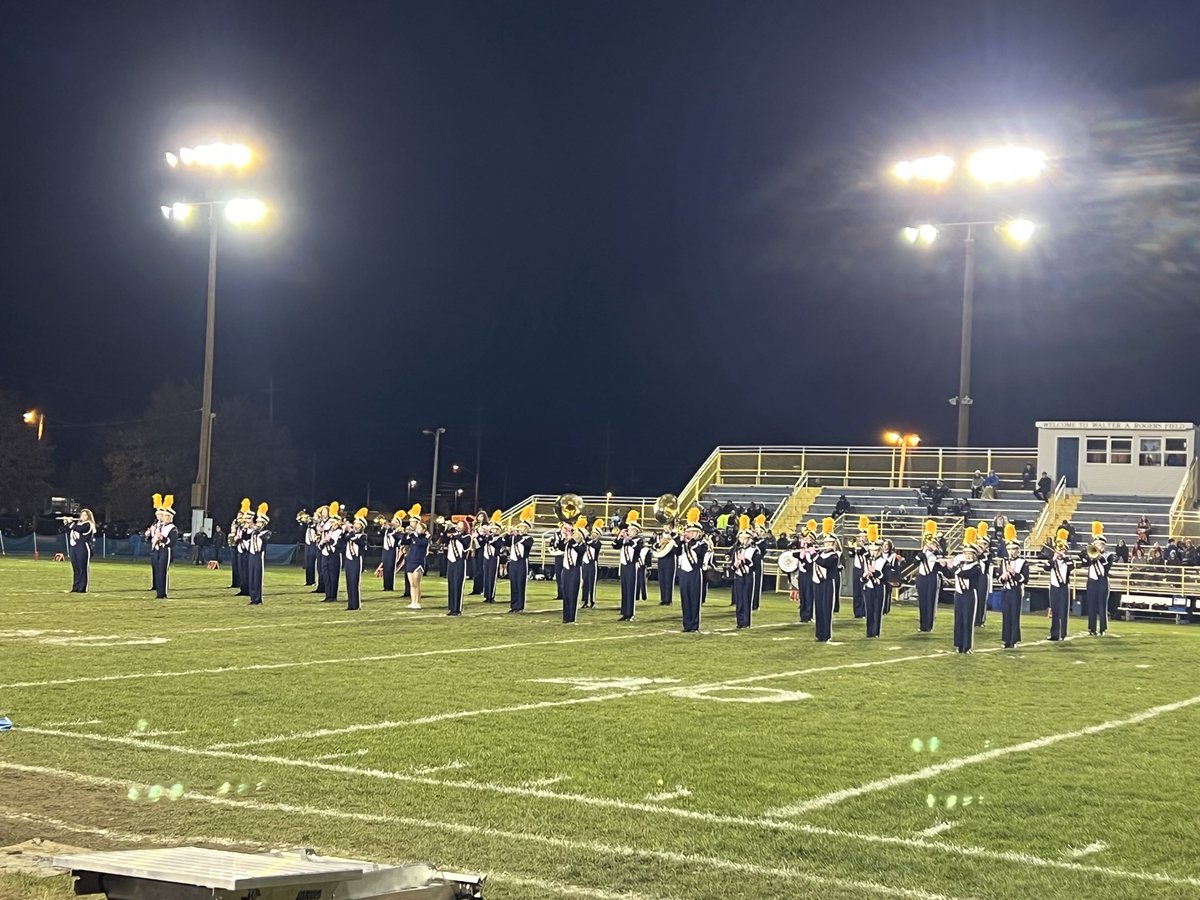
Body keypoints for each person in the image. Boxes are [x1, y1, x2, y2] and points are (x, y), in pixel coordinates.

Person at [675, 510, 709, 632]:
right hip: (683, 573)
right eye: (688, 532)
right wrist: (680, 540)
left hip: (695, 573)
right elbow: (675, 551)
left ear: (698, 533)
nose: (689, 534)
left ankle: (694, 625)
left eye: (692, 532)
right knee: (685, 599)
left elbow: (700, 551)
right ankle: (686, 625)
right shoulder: (683, 544)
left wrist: (690, 541)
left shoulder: (702, 544)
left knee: (694, 599)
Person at [952, 530, 984, 653]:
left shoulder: (976, 567)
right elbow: (951, 573)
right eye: (966, 553)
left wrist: (954, 567)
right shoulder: (961, 565)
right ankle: (959, 645)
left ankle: (967, 646)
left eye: (971, 554)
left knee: (968, 620)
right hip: (959, 595)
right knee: (958, 619)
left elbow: (966, 575)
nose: (968, 556)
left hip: (969, 595)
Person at [811, 521, 842, 642]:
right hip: (818, 582)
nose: (827, 544)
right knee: (818, 608)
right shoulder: (820, 553)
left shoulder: (834, 556)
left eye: (830, 542)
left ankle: (826, 634)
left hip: (828, 582)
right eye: (826, 542)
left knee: (826, 608)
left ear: (834, 544)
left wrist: (814, 556)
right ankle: (819, 634)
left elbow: (824, 563)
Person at [1043, 528, 1075, 641]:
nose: (1060, 550)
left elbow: (1072, 566)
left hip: (1064, 588)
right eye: (1058, 548)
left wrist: (1064, 556)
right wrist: (1054, 558)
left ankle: (1063, 633)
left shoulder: (1068, 561)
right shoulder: (1052, 561)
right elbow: (1046, 567)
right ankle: (1054, 634)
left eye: (1062, 548)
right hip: (1054, 587)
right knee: (1055, 610)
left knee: (1063, 611)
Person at [1082, 523, 1114, 635]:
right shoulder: (1091, 555)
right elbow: (1084, 564)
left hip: (1102, 583)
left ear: (1103, 545)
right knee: (1091, 606)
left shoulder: (1109, 556)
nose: (1097, 546)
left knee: (1102, 606)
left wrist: (1098, 556)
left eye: (1099, 544)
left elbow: (1106, 568)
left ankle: (1102, 629)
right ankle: (1092, 629)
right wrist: (1086, 556)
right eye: (1095, 544)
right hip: (1091, 582)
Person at [997, 525, 1026, 647]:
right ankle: (1006, 640)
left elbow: (1025, 578)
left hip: (1015, 591)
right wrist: (1002, 577)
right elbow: (999, 577)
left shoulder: (1022, 562)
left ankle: (1014, 640)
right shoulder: (1004, 561)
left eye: (1014, 549)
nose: (1011, 551)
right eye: (1009, 549)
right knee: (1006, 615)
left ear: (1018, 550)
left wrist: (1014, 573)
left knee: (1014, 615)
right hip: (1006, 591)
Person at [613, 511, 644, 621]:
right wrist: (619, 537)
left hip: (632, 566)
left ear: (636, 531)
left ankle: (631, 613)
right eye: (628, 530)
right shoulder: (626, 539)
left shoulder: (639, 540)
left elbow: (636, 547)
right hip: (624, 565)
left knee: (631, 589)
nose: (628, 531)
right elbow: (615, 545)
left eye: (631, 530)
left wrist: (628, 539)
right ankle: (624, 612)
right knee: (624, 589)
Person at [146, 493, 178, 599]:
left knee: (163, 571)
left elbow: (172, 542)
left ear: (169, 517)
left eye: (164, 515)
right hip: (157, 549)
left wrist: (162, 538)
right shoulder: (160, 525)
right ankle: (158, 590)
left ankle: (162, 593)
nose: (162, 517)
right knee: (157, 571)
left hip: (165, 550)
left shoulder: (172, 528)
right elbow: (153, 537)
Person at [915, 524, 943, 632]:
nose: (929, 545)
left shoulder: (937, 553)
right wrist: (923, 551)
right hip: (922, 577)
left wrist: (935, 550)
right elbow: (915, 562)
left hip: (932, 577)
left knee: (931, 601)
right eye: (927, 543)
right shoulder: (922, 554)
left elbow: (941, 562)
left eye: (931, 542)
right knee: (922, 601)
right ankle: (923, 625)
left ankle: (929, 625)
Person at [62, 508, 97, 593]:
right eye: (82, 515)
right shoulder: (78, 524)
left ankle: (83, 588)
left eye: (85, 515)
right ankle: (75, 587)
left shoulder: (88, 524)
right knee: (76, 569)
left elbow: (80, 529)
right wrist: (66, 523)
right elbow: (65, 530)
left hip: (83, 548)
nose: (83, 517)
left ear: (88, 517)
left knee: (83, 568)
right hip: (74, 548)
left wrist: (70, 523)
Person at [507, 509, 535, 613]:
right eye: (520, 527)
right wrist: (508, 534)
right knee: (513, 584)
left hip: (522, 562)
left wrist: (517, 535)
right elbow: (506, 542)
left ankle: (520, 606)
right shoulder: (515, 537)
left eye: (523, 527)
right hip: (513, 562)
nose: (521, 529)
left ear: (527, 529)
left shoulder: (529, 538)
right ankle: (513, 605)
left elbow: (525, 544)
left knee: (520, 584)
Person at [861, 531, 887, 638]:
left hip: (879, 587)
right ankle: (869, 632)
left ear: (879, 551)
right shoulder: (866, 560)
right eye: (871, 550)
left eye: (875, 551)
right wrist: (865, 575)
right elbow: (862, 578)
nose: (873, 553)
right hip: (868, 586)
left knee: (877, 610)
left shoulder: (883, 561)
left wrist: (875, 572)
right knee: (869, 610)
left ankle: (875, 632)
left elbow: (886, 577)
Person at [246, 502, 271, 606]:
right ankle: (252, 597)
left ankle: (258, 598)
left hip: (259, 556)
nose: (257, 524)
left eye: (260, 522)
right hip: (252, 555)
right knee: (251, 576)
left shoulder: (266, 532)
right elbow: (248, 533)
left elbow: (259, 532)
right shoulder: (253, 532)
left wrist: (253, 525)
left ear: (264, 524)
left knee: (257, 577)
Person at [559, 520, 585, 623]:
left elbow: (579, 551)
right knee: (565, 593)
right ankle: (566, 616)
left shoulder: (582, 546)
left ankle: (572, 617)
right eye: (574, 535)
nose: (574, 537)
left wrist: (571, 540)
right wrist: (563, 536)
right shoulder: (569, 543)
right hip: (565, 570)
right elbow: (560, 546)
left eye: (577, 536)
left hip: (575, 570)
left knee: (572, 593)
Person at [444, 520, 471, 616]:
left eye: (461, 525)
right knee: (451, 584)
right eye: (458, 525)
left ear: (465, 527)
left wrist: (453, 533)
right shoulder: (454, 535)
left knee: (458, 584)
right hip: (451, 562)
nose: (458, 527)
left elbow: (463, 541)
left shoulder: (467, 537)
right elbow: (444, 539)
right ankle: (451, 608)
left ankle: (457, 609)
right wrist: (447, 528)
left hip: (460, 562)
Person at [319, 502, 344, 602]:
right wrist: (322, 542)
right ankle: (328, 595)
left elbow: (338, 544)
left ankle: (333, 596)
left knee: (333, 576)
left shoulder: (339, 531)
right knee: (325, 575)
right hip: (325, 553)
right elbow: (320, 543)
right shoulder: (328, 531)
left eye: (334, 523)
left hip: (334, 555)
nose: (332, 524)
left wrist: (329, 540)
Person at [344, 507, 368, 611]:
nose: (355, 525)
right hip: (348, 560)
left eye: (357, 524)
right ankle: (350, 604)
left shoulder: (363, 536)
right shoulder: (350, 535)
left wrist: (351, 533)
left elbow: (360, 544)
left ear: (362, 526)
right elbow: (344, 539)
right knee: (349, 582)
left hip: (357, 560)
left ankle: (356, 605)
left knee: (354, 582)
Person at [404, 516, 430, 609]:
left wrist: (412, 535)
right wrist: (406, 534)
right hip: (410, 561)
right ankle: (412, 602)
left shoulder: (425, 539)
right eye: (417, 528)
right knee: (411, 584)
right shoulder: (413, 537)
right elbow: (404, 542)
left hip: (418, 562)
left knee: (416, 584)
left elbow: (420, 543)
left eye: (419, 528)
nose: (417, 529)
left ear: (424, 530)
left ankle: (417, 602)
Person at [580, 518, 603, 609]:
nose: (593, 535)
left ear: (598, 536)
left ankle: (592, 601)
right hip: (585, 563)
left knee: (591, 583)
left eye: (595, 534)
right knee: (585, 583)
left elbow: (592, 544)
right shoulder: (588, 541)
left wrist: (586, 538)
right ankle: (585, 601)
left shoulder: (598, 544)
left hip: (592, 564)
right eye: (592, 533)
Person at [654, 525, 677, 606]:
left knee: (668, 580)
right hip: (660, 559)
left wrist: (670, 539)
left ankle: (668, 599)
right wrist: (660, 543)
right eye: (665, 525)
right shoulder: (658, 535)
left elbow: (676, 548)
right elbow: (653, 545)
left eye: (668, 525)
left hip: (670, 559)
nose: (666, 527)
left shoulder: (674, 535)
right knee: (661, 579)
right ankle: (663, 599)